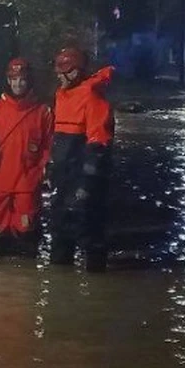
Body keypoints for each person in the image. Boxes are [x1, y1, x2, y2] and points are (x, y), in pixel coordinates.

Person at [0, 57, 53, 259]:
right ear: (8, 81)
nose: (18, 84)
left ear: (29, 80)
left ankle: (26, 282)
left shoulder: (42, 112)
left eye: (22, 79)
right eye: (14, 79)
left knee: (26, 231)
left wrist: (44, 170)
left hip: (27, 180)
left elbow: (48, 145)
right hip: (0, 178)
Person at [48, 47, 115, 272]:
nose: (58, 75)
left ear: (76, 71)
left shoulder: (92, 96)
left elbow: (99, 143)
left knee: (88, 227)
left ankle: (95, 279)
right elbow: (57, 137)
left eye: (63, 70)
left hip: (84, 177)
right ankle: (59, 285)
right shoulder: (61, 95)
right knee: (59, 227)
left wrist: (87, 182)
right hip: (64, 175)